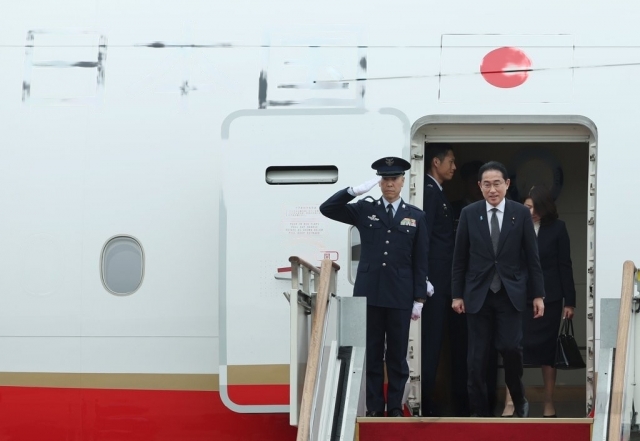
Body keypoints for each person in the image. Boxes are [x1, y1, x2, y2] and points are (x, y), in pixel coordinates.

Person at [319, 157, 430, 417]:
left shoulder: (416, 216)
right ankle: (374, 408)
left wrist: (419, 298)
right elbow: (327, 208)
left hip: (401, 295)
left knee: (397, 356)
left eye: (394, 179)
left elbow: (421, 260)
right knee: (372, 354)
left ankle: (394, 407)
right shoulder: (363, 210)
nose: (389, 183)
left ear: (403, 181)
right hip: (370, 294)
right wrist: (353, 191)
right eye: (385, 179)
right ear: (379, 182)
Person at [451, 160, 545, 418]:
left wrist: (538, 295)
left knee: (511, 348)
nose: (492, 190)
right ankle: (478, 413)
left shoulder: (520, 213)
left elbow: (532, 257)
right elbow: (459, 259)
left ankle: (518, 397)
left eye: (497, 184)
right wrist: (456, 294)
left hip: (510, 293)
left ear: (507, 185)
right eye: (487, 184)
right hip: (476, 295)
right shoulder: (470, 214)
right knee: (476, 359)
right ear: (480, 187)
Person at [501, 185, 576, 418]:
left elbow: (565, 265)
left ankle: (548, 402)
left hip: (550, 299)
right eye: (527, 207)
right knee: (514, 349)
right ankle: (510, 402)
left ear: (545, 207)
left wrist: (570, 302)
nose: (530, 211)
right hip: (519, 298)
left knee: (547, 352)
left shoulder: (558, 228)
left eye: (534, 207)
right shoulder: (513, 226)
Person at [420, 143, 468, 416]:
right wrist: (424, 277)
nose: (454, 166)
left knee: (439, 339)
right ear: (435, 162)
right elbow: (426, 238)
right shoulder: (428, 192)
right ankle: (425, 401)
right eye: (450, 160)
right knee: (432, 340)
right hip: (434, 281)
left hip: (443, 279)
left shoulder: (437, 192)